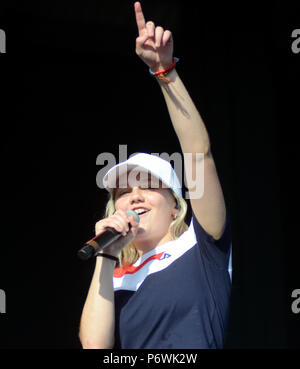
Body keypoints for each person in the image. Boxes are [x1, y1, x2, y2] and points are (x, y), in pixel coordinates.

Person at [79, 1, 232, 349]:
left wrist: (166, 72)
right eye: (122, 192)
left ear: (176, 207)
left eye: (148, 186)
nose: (133, 196)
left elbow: (198, 153)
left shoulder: (202, 245)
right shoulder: (117, 277)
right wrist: (105, 256)